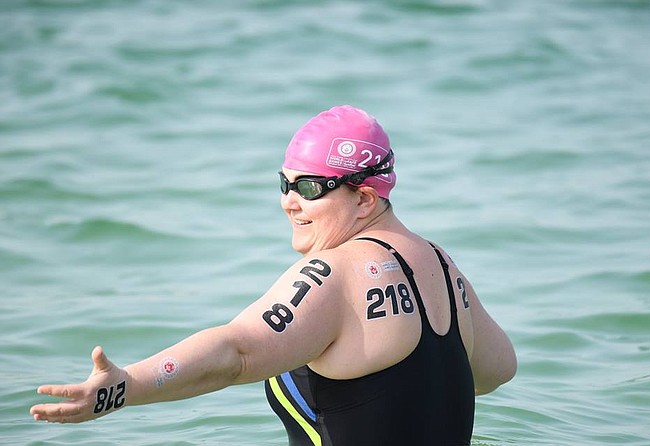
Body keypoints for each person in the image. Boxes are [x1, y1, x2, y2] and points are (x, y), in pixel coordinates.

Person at [30, 105, 516, 445]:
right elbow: (498, 370)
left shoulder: (337, 272)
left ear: (364, 198)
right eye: (285, 182)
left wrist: (125, 387)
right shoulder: (443, 268)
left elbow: (235, 353)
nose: (289, 200)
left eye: (309, 186)